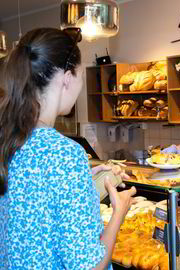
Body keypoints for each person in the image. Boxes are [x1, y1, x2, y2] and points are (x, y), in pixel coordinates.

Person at [0, 28, 136, 269]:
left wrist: (82, 180)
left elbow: (34, 210)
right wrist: (118, 213)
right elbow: (90, 266)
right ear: (67, 77)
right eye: (81, 74)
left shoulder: (8, 140)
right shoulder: (65, 155)